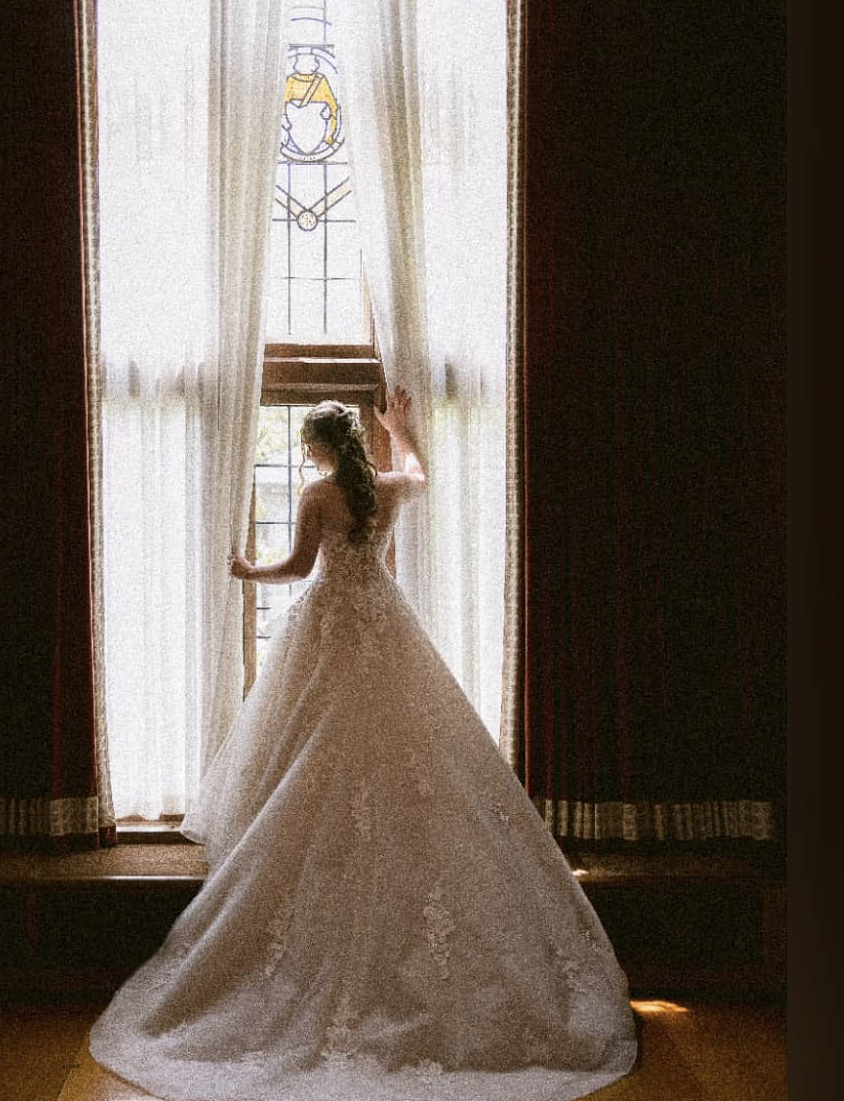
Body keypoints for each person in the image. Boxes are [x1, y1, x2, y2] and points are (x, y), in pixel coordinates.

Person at [89, 388, 638, 1101]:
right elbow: (418, 475)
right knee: (408, 747)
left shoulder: (319, 493)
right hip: (383, 619)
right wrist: (401, 430)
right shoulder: (381, 488)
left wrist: (247, 573)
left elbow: (297, 568)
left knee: (315, 749)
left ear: (319, 447)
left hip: (332, 627)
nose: (307, 454)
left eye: (308, 444)